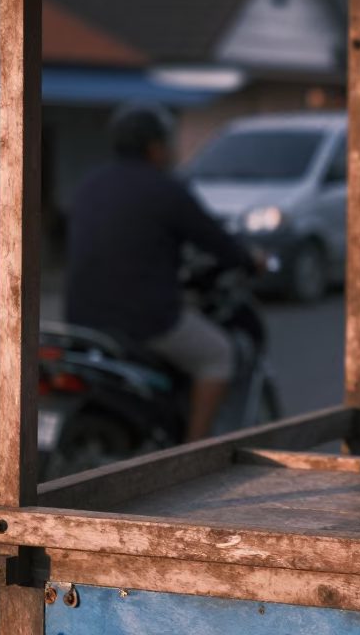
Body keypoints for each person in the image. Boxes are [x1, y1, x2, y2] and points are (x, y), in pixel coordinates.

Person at [65, 103, 258, 442]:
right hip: (144, 318)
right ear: (155, 147)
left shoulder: (90, 185)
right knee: (218, 354)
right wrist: (249, 259)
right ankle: (193, 451)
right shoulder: (166, 189)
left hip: (82, 317)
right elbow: (216, 240)